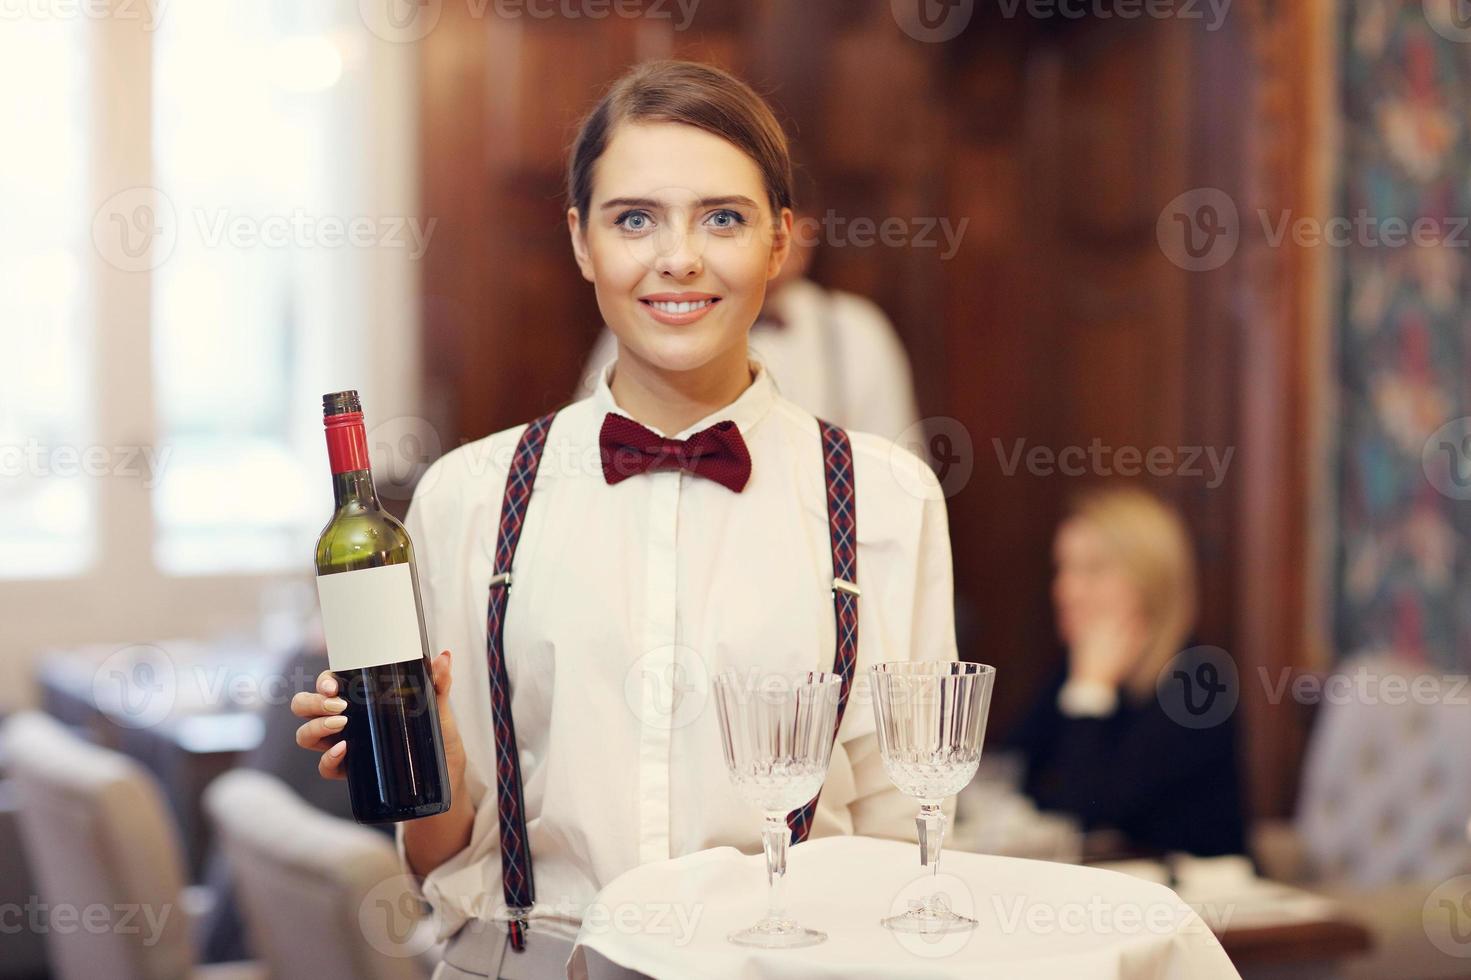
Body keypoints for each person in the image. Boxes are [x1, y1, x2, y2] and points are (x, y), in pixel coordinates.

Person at [292, 60, 957, 979]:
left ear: (779, 241)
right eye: (633, 218)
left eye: (722, 217)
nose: (677, 257)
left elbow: (903, 837)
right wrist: (433, 756)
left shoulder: (887, 499)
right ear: (579, 241)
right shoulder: (469, 495)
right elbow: (440, 859)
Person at [1007, 487, 1245, 858]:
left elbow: (1083, 807)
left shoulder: (1199, 683)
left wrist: (1090, 690)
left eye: (1092, 570)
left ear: (1150, 582)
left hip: (1209, 908)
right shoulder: (1077, 666)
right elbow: (1014, 775)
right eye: (1063, 569)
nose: (1064, 590)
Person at [575, 199, 922, 441]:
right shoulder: (648, 316)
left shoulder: (852, 329)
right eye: (722, 221)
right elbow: (593, 432)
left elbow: (893, 464)